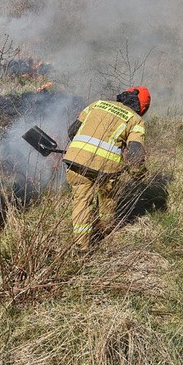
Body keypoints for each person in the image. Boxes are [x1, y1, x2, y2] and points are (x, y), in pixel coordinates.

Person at [62, 86, 150, 250]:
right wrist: (138, 174)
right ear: (142, 108)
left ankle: (81, 246)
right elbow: (135, 155)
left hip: (76, 161)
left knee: (81, 201)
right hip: (107, 169)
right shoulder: (136, 121)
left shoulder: (97, 104)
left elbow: (72, 131)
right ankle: (106, 231)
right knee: (107, 198)